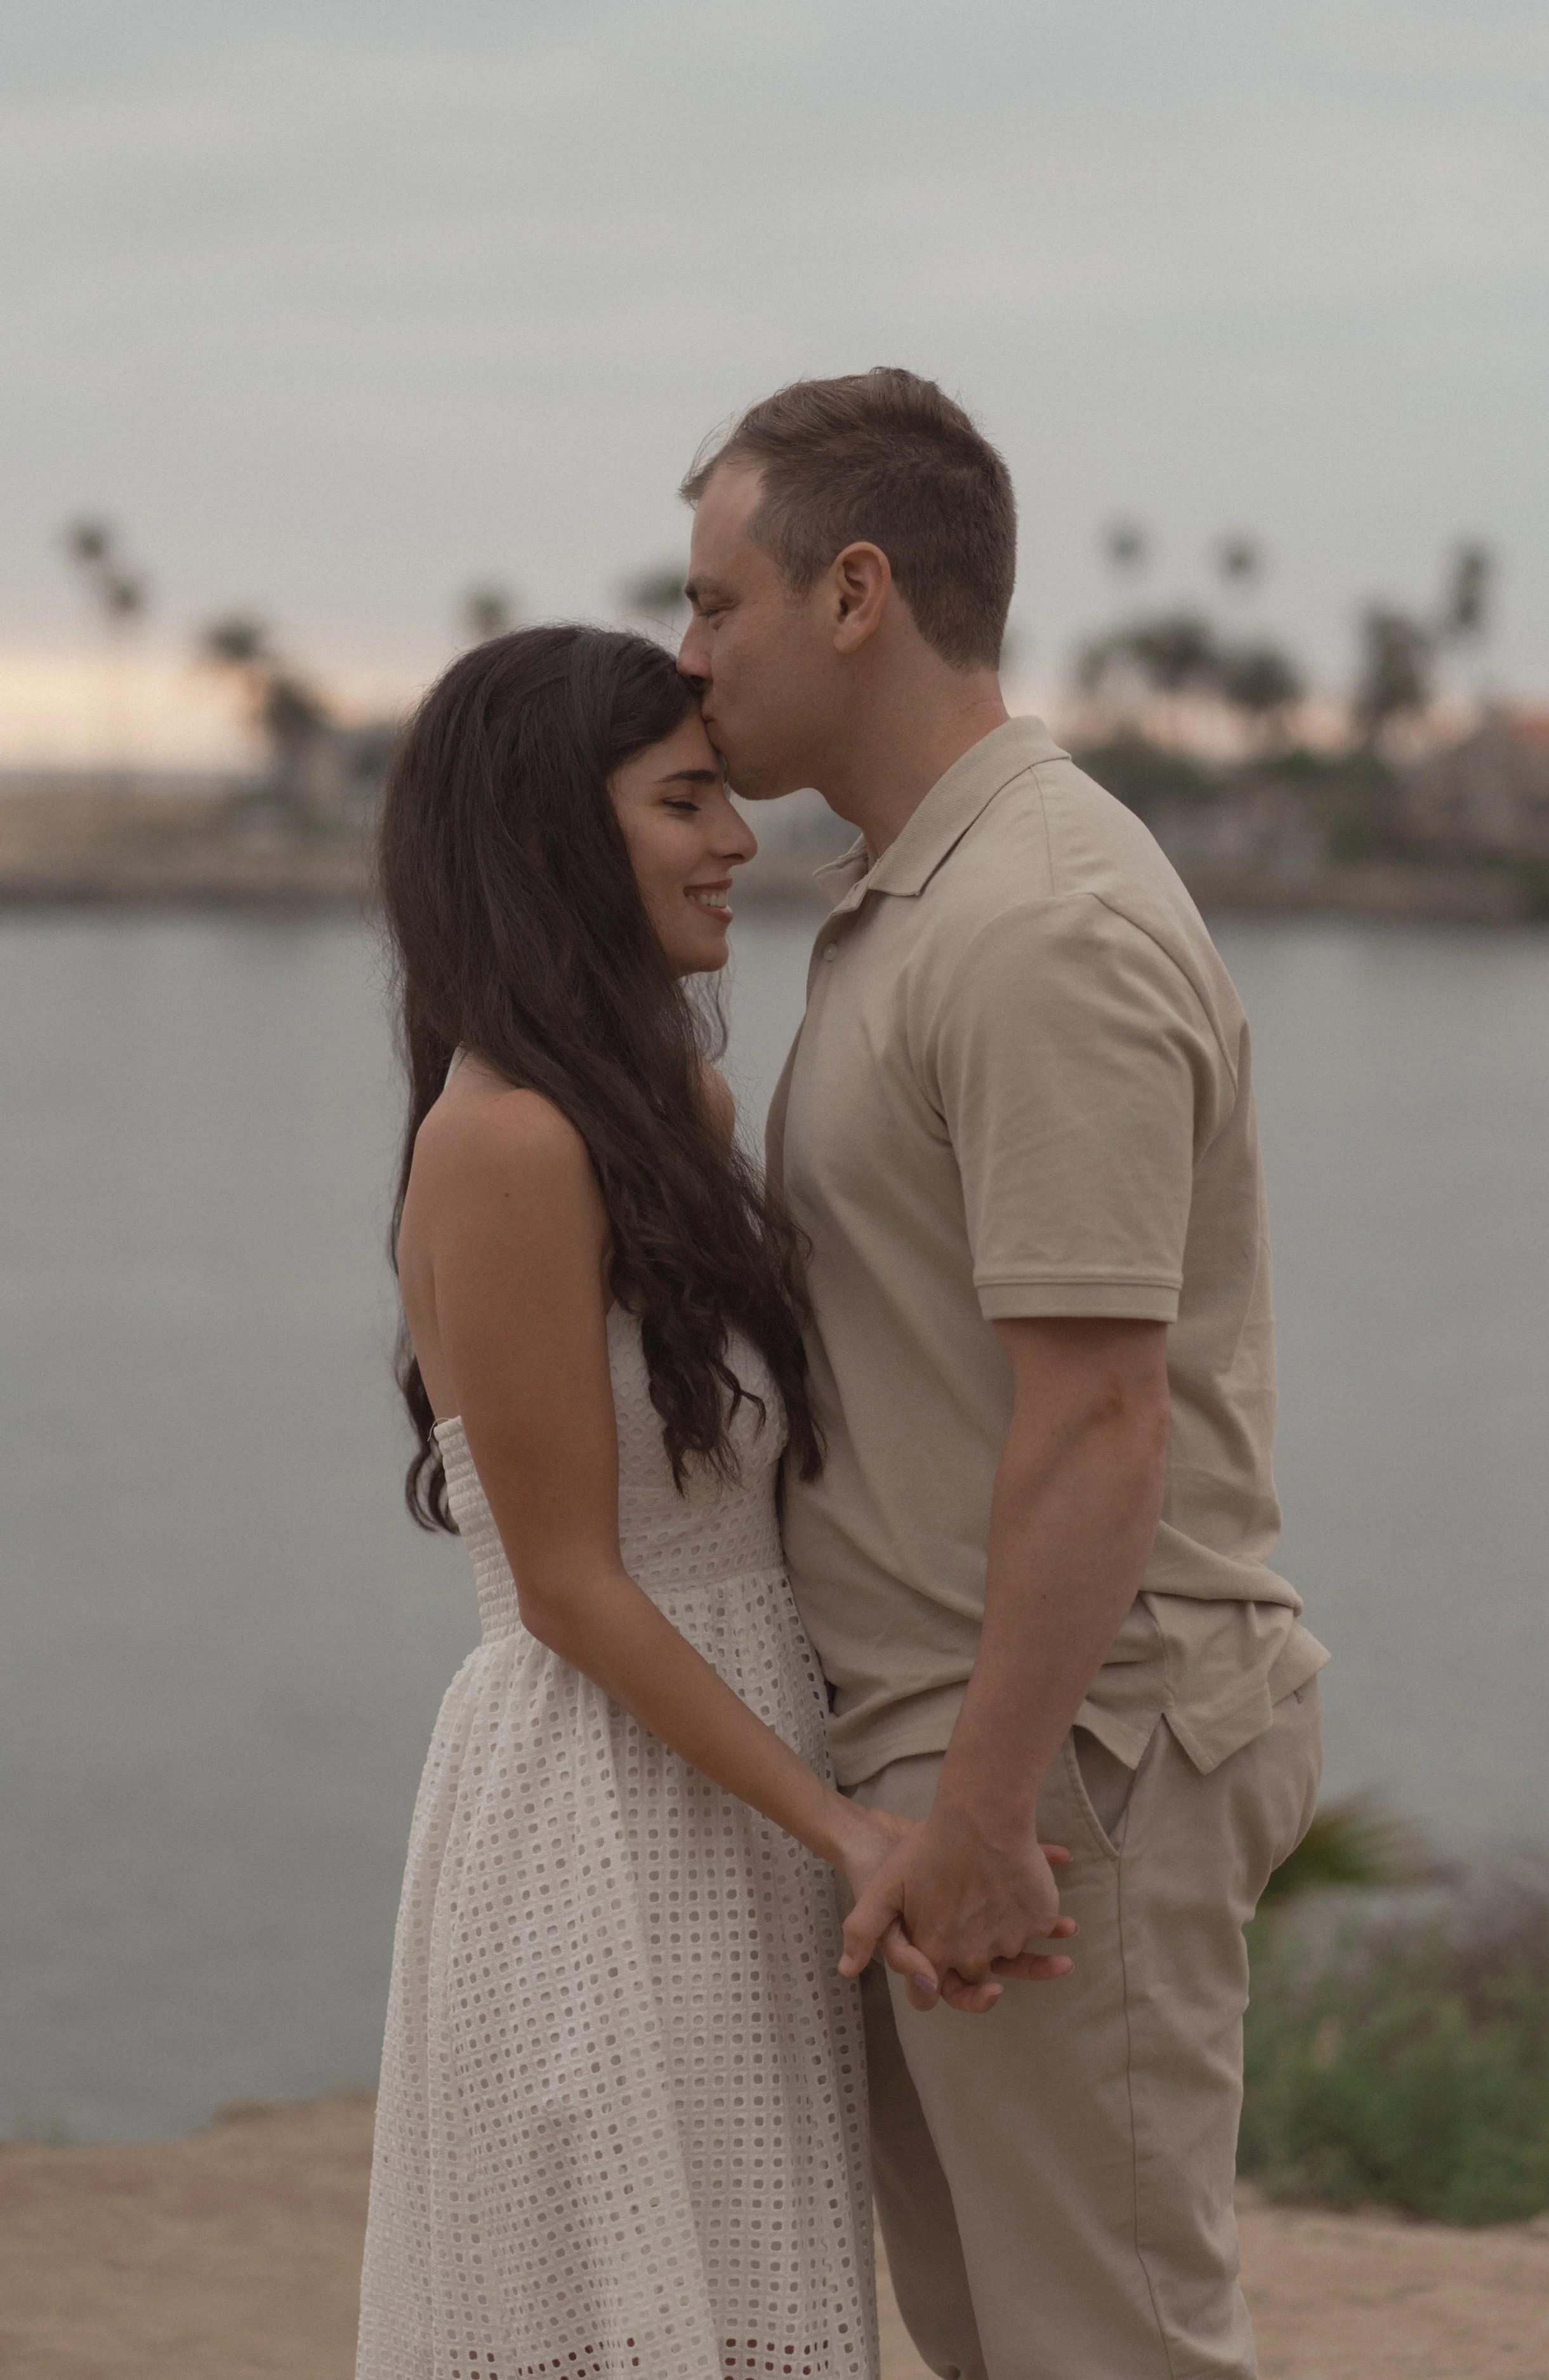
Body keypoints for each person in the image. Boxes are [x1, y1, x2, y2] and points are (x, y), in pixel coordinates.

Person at [678, 368, 1329, 2380]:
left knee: (1109, 2350)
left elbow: (1099, 1412)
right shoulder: (912, 905)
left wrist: (975, 1811)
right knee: (1006, 2344)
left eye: (719, 603)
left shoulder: (1039, 923)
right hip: (972, 1755)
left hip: (1062, 1764)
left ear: (854, 591)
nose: (689, 655)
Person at [355, 624, 1071, 2380]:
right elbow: (567, 1586)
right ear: (545, 839)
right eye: (684, 799)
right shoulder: (507, 1137)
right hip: (597, 1809)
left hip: (735, 1790)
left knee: (753, 2307)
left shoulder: (674, 1102)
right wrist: (848, 1833)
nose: (738, 838)